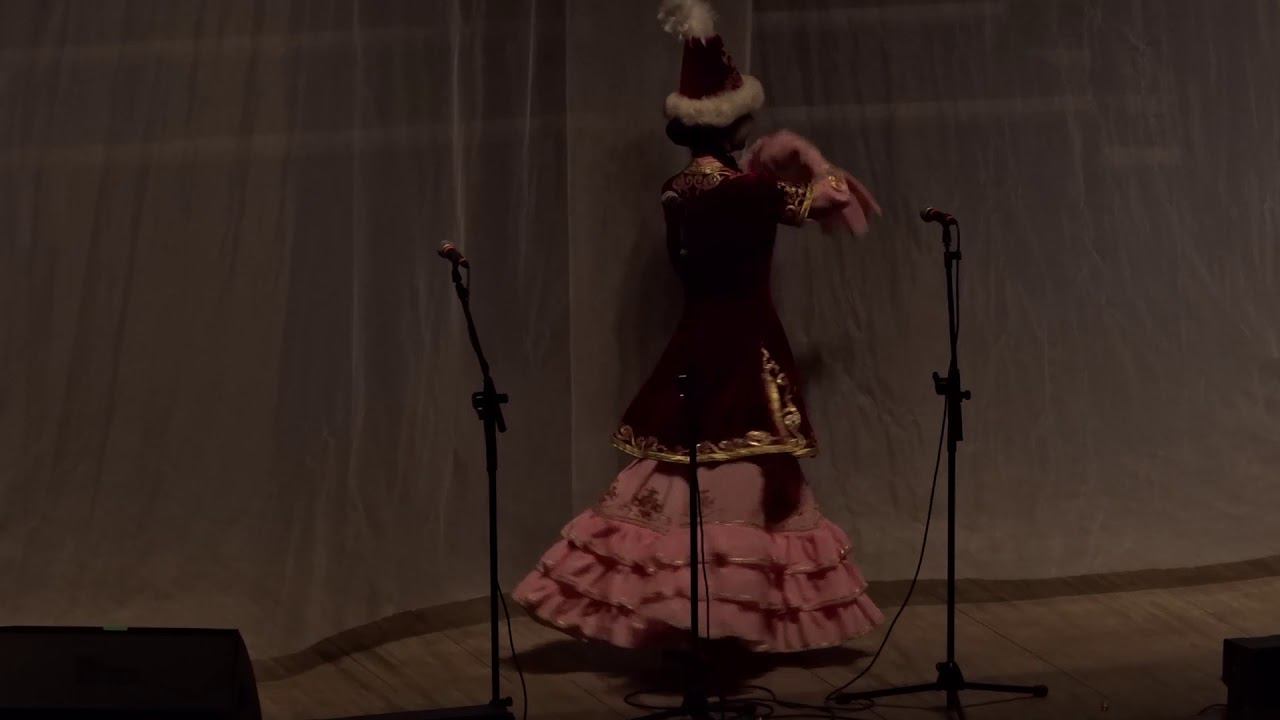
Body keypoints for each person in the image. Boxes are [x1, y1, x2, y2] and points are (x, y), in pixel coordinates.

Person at [513, 0, 885, 653]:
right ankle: (725, 616)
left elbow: (737, 210)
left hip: (696, 346)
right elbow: (834, 196)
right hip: (744, 349)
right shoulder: (748, 194)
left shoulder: (680, 189)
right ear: (736, 124)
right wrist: (806, 154)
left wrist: (764, 170)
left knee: (682, 478)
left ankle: (689, 614)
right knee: (744, 478)